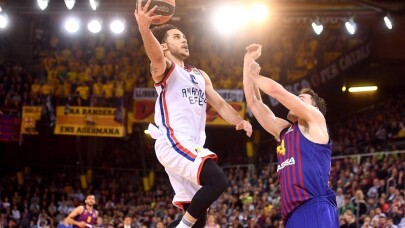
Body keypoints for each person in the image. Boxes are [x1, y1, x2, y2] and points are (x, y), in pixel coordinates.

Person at [134, 1, 252, 227]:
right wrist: (144, 28)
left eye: (184, 36)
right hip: (173, 141)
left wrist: (238, 120)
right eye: (177, 36)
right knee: (218, 181)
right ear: (165, 46)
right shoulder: (165, 69)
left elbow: (218, 102)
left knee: (199, 218)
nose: (184, 40)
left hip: (191, 144)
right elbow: (156, 57)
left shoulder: (199, 75)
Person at [242, 44, 339, 228]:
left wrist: (255, 75)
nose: (294, 100)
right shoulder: (284, 131)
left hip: (315, 207)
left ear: (314, 108)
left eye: (301, 99)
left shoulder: (315, 121)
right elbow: (254, 103)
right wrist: (247, 62)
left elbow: (278, 92)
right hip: (291, 214)